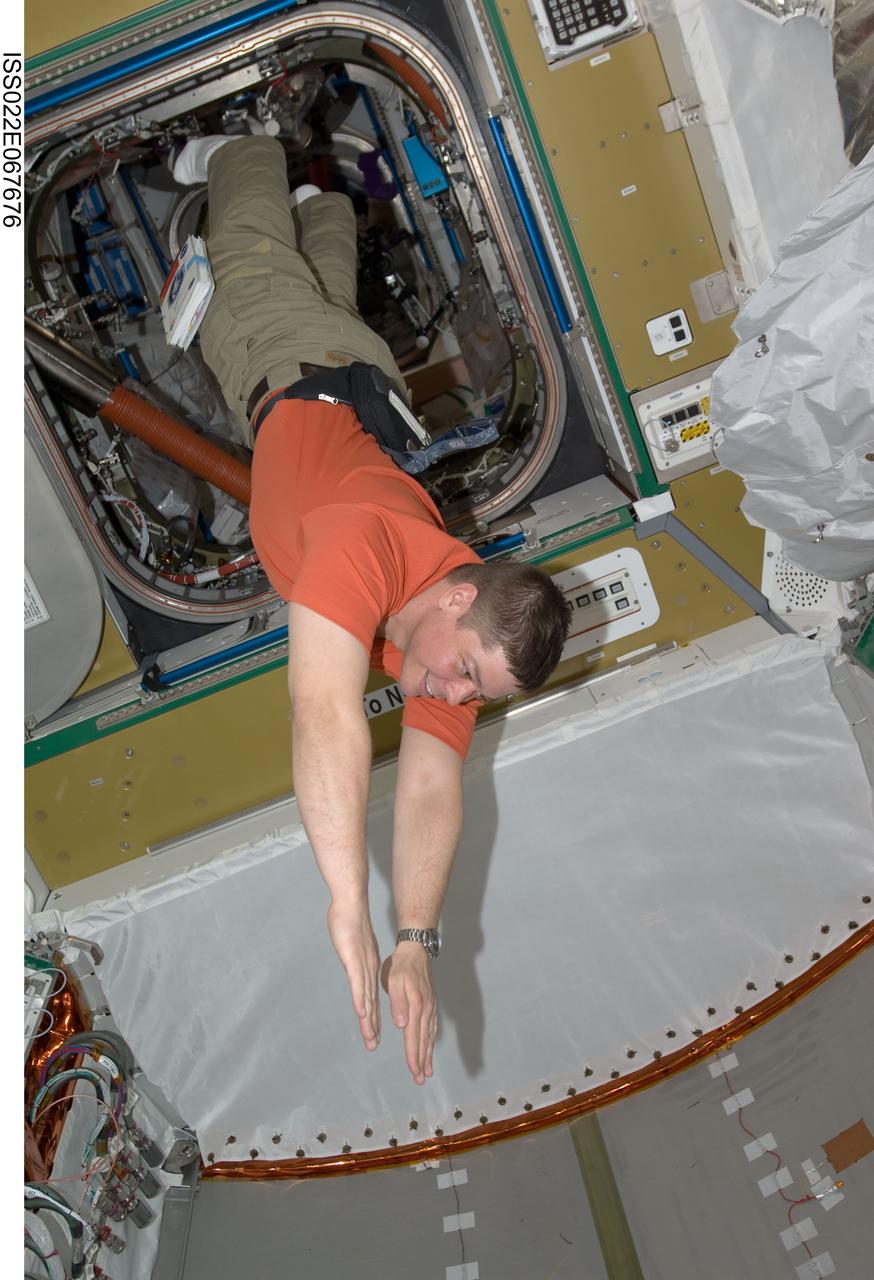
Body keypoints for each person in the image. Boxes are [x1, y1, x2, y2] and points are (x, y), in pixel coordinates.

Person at [172, 136, 572, 1085]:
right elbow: (323, 710)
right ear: (461, 595)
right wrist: (347, 901)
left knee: (324, 283)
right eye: (461, 673)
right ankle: (249, 149)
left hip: (351, 374)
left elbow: (433, 786)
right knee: (250, 243)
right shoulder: (371, 545)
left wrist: (416, 940)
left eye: (468, 694)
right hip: (278, 357)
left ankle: (326, 198)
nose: (442, 691)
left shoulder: (454, 629)